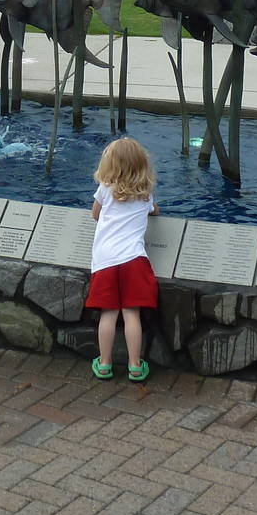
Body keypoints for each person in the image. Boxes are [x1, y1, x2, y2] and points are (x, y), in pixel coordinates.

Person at [85, 137, 158, 382]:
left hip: (106, 261)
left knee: (108, 314)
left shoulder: (105, 189)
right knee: (131, 314)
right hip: (134, 260)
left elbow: (95, 215)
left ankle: (104, 364)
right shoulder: (144, 194)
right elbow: (154, 210)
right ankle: (135, 366)